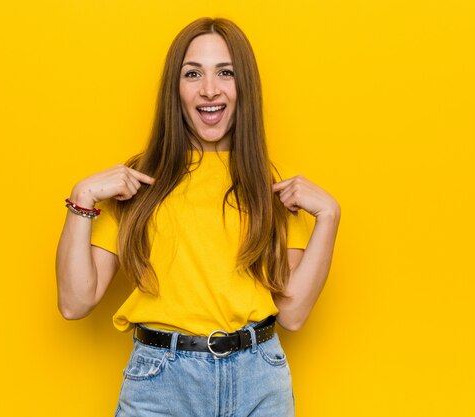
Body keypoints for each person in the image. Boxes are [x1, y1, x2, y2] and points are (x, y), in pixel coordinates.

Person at [56, 17, 340, 417]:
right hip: (160, 384)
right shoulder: (137, 182)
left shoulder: (267, 186)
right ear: (176, 88)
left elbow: (292, 314)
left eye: (226, 72)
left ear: (245, 89)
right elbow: (74, 302)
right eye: (193, 74)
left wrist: (329, 216)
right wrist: (81, 199)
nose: (210, 89)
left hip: (259, 378)